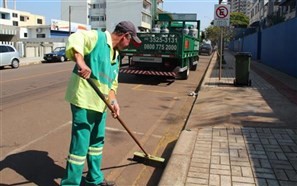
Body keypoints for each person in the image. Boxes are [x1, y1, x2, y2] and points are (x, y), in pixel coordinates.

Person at [60, 21, 141, 186]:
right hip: (83, 100)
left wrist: (114, 102)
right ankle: (70, 183)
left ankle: (94, 179)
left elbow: (112, 84)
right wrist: (80, 61)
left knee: (97, 142)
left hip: (101, 103)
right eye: (131, 41)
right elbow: (76, 38)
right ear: (125, 36)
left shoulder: (116, 56)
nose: (130, 45)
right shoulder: (97, 38)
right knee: (80, 146)